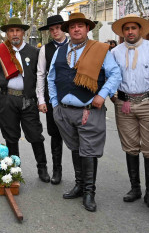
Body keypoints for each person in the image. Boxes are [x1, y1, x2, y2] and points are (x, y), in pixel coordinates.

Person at [48, 12, 122, 212]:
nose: (77, 29)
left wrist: (102, 95)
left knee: (88, 151)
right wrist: (55, 104)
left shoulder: (100, 50)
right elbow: (51, 78)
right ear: (68, 30)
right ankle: (80, 185)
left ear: (88, 28)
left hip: (89, 110)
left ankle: (90, 192)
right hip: (64, 111)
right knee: (75, 148)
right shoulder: (60, 51)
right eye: (73, 27)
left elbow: (115, 74)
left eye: (81, 26)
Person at [110, 14, 149, 208]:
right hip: (124, 104)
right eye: (127, 29)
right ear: (122, 32)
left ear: (140, 30)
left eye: (134, 28)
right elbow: (111, 76)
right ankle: (135, 188)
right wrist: (113, 96)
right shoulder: (115, 52)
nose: (130, 32)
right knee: (130, 146)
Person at [0, 17, 50, 182]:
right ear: (7, 33)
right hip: (7, 99)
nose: (15, 34)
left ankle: (42, 168)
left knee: (35, 135)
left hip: (28, 100)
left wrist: (42, 99)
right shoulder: (0, 51)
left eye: (18, 30)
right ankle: (14, 169)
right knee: (11, 137)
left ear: (23, 33)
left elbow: (43, 76)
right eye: (11, 31)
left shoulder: (34, 52)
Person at [35, 14, 69, 185]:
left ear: (64, 28)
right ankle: (57, 169)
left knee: (77, 135)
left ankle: (83, 177)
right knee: (55, 134)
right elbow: (40, 75)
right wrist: (41, 99)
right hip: (52, 98)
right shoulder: (45, 49)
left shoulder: (74, 45)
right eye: (52, 29)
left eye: (58, 28)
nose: (55, 31)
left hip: (73, 97)